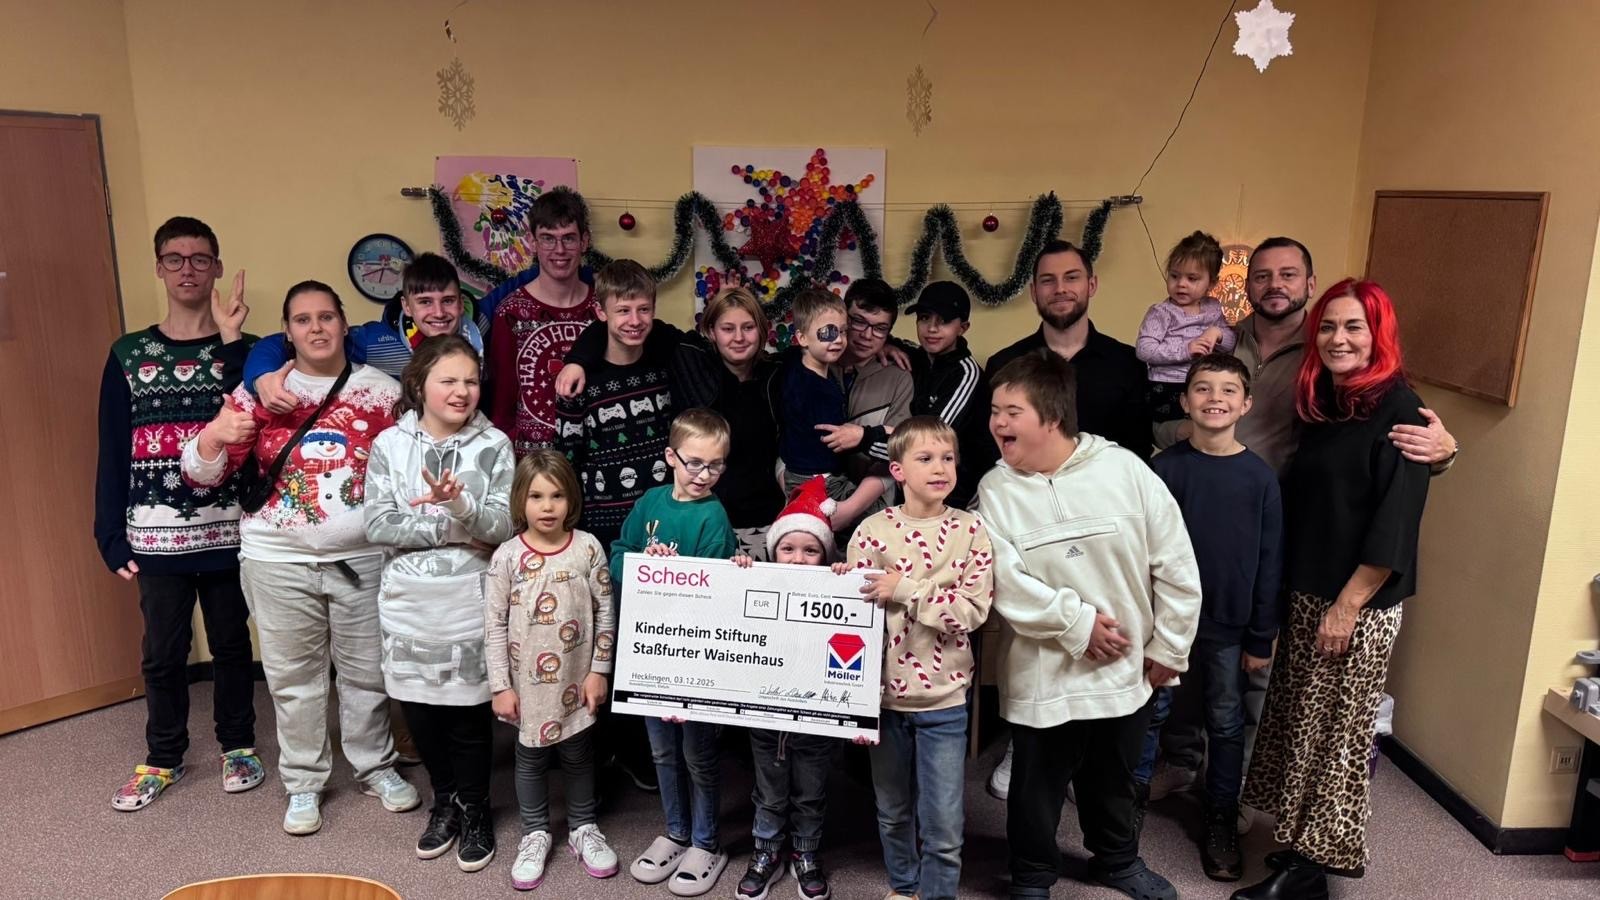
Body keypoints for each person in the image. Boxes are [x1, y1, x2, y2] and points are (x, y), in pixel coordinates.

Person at [1145, 237, 1459, 826]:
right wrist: (1175, 443)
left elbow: (1394, 459)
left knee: (1256, 674)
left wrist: (1443, 451)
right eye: (1262, 275)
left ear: (1308, 285)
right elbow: (1174, 404)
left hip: (1278, 525)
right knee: (1199, 652)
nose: (1274, 285)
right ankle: (1185, 763)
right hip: (1240, 526)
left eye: (1288, 275)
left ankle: (1236, 792)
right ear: (1245, 285)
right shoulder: (1224, 337)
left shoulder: (1329, 358)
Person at [180, 281, 418, 835]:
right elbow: (199, 474)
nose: (316, 328)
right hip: (277, 559)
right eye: (303, 319)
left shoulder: (381, 392)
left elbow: (409, 473)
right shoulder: (259, 392)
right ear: (287, 332)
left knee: (367, 674)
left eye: (326, 317)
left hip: (364, 559)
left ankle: (375, 767)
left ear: (343, 324)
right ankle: (305, 781)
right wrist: (215, 435)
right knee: (294, 680)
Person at [1233, 280, 1432, 900]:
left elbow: (1395, 523)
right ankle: (1298, 848)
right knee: (1301, 725)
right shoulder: (1328, 401)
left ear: (1379, 334)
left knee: (1337, 737)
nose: (1338, 339)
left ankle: (1311, 870)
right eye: (1327, 327)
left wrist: (1346, 608)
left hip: (1357, 603)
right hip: (1309, 589)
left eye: (1354, 327)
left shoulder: (1402, 411)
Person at [977, 351, 1201, 900]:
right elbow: (1003, 581)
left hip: (1124, 666)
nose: (997, 423)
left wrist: (1171, 645)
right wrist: (1077, 624)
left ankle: (1117, 861)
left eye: (1011, 412)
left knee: (1114, 777)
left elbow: (1175, 561)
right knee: (1036, 784)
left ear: (1051, 417)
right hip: (1043, 671)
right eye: (994, 411)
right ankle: (1032, 875)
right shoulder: (995, 489)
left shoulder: (1125, 470)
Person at [95, 216, 263, 811]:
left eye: (199, 258)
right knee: (162, 652)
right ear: (159, 268)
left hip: (229, 528)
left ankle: (238, 744)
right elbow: (113, 446)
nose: (187, 269)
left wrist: (232, 340)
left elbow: (256, 420)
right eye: (175, 258)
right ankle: (163, 756)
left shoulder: (246, 349)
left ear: (217, 267)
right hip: (155, 534)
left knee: (232, 644)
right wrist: (109, 534)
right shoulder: (128, 354)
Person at [363, 335, 514, 871]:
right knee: (421, 716)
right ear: (419, 385)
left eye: (471, 381)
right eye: (448, 380)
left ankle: (476, 809)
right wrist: (455, 527)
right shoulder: (389, 445)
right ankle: (444, 802)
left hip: (467, 604)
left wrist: (462, 505)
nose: (462, 391)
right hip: (407, 605)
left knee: (468, 719)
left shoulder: (495, 444)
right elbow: (378, 524)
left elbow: (502, 526)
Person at [1135, 354, 1281, 882]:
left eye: (1227, 390)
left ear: (1246, 404)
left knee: (1225, 721)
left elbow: (1269, 562)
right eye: (1202, 388)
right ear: (1184, 401)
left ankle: (1220, 815)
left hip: (1228, 626)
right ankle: (1128, 808)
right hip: (1163, 623)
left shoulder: (1259, 479)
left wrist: (1260, 636)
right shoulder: (1163, 470)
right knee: (1152, 712)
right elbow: (1140, 551)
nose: (1214, 398)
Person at [839, 416, 995, 900]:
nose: (940, 468)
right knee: (892, 811)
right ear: (898, 470)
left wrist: (905, 589)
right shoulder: (871, 531)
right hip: (883, 701)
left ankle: (938, 894)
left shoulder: (971, 530)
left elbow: (971, 612)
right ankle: (905, 888)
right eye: (925, 458)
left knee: (943, 822)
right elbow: (851, 618)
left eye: (948, 458)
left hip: (944, 701)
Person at [558, 284, 786, 559]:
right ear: (711, 331)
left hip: (762, 521)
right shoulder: (690, 357)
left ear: (762, 329)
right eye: (728, 328)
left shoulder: (778, 374)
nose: (739, 337)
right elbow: (620, 325)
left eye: (748, 327)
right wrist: (577, 361)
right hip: (694, 519)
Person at [614, 409, 739, 897]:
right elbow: (618, 553)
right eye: (695, 463)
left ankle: (706, 842)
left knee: (698, 754)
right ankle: (676, 832)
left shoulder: (713, 516)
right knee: (662, 752)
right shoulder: (649, 502)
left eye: (716, 465)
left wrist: (675, 570)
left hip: (693, 658)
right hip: (648, 652)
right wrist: (643, 564)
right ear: (670, 457)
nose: (704, 474)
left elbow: (712, 590)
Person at [487, 450, 619, 891]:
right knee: (530, 757)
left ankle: (583, 826)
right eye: (537, 496)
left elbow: (605, 611)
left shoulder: (588, 547)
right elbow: (493, 625)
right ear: (520, 500)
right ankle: (535, 833)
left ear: (571, 499)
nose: (548, 506)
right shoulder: (507, 556)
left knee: (579, 752)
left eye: (557, 495)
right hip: (526, 685)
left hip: (578, 679)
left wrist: (599, 670)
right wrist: (500, 686)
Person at [730, 476, 850, 900]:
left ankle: (806, 853)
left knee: (810, 793)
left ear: (825, 555)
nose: (798, 559)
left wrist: (844, 578)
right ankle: (766, 851)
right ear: (772, 552)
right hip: (766, 718)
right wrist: (738, 575)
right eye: (788, 549)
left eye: (811, 550)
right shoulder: (757, 580)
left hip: (816, 718)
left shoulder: (837, 586)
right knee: (768, 792)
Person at [246, 252, 485, 412]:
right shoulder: (375, 341)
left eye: (448, 300)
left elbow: (511, 286)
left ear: (461, 302)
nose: (439, 312)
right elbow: (282, 342)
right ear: (406, 306)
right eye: (424, 302)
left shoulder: (481, 325)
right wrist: (261, 377)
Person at [553, 260, 676, 550]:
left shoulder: (667, 365)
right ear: (601, 312)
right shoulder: (578, 381)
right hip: (601, 527)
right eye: (622, 310)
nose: (635, 320)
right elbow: (566, 461)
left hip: (662, 521)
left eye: (643, 309)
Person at [490, 188, 600, 455]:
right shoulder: (511, 313)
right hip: (533, 463)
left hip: (595, 458)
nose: (559, 250)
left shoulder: (603, 309)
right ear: (533, 242)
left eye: (569, 238)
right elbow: (502, 405)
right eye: (548, 239)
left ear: (584, 241)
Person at [777, 288, 883, 531]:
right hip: (819, 480)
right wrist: (880, 433)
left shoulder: (794, 361)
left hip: (802, 474)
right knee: (876, 521)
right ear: (802, 338)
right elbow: (839, 441)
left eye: (843, 331)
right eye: (828, 332)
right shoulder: (815, 391)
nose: (838, 340)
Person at [904, 282, 993, 509]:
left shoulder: (966, 373)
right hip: (917, 484)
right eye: (924, 318)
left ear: (963, 328)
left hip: (956, 495)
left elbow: (929, 439)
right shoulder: (916, 357)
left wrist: (864, 438)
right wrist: (887, 346)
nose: (932, 328)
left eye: (943, 321)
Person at [1135, 231, 1236, 423]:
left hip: (1204, 383)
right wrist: (1186, 350)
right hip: (1166, 385)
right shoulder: (1162, 312)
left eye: (1192, 278)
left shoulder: (1213, 308)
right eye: (1174, 276)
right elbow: (1144, 350)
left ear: (1211, 283)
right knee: (1174, 432)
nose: (1181, 284)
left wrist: (1217, 333)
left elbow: (1230, 344)